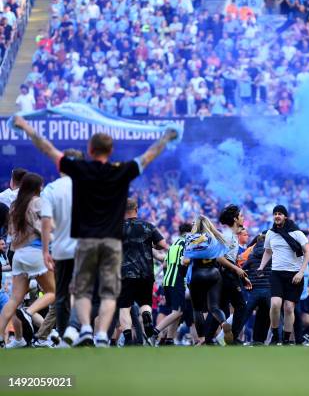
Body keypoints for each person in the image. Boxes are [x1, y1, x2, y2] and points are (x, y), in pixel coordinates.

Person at [12, 115, 178, 347]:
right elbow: (148, 157)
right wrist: (166, 137)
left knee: (81, 289)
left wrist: (26, 126)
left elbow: (47, 148)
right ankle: (101, 334)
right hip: (111, 242)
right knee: (109, 293)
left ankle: (86, 328)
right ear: (110, 151)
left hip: (86, 240)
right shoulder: (122, 170)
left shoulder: (79, 169)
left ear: (90, 150)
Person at [0, 173, 56, 348]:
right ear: (37, 187)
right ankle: (29, 312)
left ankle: (1, 337)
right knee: (53, 292)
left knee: (14, 299)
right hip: (36, 252)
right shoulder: (38, 202)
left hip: (18, 255)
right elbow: (48, 226)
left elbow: (11, 233)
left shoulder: (15, 206)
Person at [40, 149, 84, 341]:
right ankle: (78, 330)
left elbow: (46, 222)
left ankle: (65, 332)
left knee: (61, 294)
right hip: (86, 247)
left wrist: (45, 250)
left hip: (61, 248)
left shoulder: (51, 188)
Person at [258, 205, 309, 345]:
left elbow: (307, 253)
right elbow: (268, 251)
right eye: (275, 213)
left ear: (285, 216)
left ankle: (286, 339)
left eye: (280, 213)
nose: (277, 216)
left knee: (288, 308)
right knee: (275, 304)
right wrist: (261, 267)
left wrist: (301, 272)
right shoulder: (270, 233)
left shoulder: (297, 233)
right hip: (276, 273)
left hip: (294, 275)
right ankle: (276, 335)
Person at [117, 198, 168, 346]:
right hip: (146, 273)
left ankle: (127, 338)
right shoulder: (148, 226)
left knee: (124, 307)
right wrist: (154, 247)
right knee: (145, 303)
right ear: (136, 209)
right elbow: (163, 244)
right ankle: (146, 315)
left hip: (125, 273)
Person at [184, 215, 235, 345]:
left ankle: (201, 339)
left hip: (197, 274)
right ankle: (224, 323)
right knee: (214, 307)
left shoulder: (190, 237)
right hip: (214, 274)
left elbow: (186, 261)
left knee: (197, 309)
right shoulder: (213, 237)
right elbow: (223, 252)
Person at [204, 204, 248, 344]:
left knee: (222, 308)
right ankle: (232, 339)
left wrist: (241, 275)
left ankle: (209, 339)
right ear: (235, 219)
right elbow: (219, 257)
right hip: (226, 274)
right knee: (241, 306)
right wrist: (236, 269)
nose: (243, 218)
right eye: (241, 216)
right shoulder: (228, 235)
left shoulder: (232, 235)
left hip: (227, 274)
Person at [152, 223, 192, 345]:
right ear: (189, 232)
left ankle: (170, 339)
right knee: (178, 312)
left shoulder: (174, 244)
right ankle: (155, 331)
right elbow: (185, 261)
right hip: (177, 281)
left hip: (167, 281)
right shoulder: (188, 242)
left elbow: (164, 264)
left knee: (177, 312)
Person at [242, 231, 272, 345]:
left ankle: (234, 336)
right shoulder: (273, 254)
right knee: (270, 315)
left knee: (245, 315)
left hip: (253, 290)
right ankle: (277, 339)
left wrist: (246, 282)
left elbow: (242, 269)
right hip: (268, 289)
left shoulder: (251, 253)